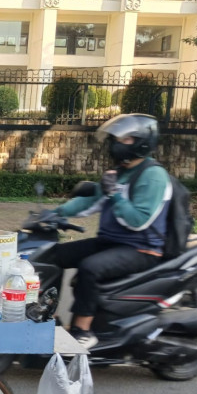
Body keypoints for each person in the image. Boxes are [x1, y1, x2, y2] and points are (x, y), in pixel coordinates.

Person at [50, 113, 171, 348]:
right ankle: (48, 315)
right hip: (110, 242)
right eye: (115, 139)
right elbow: (90, 202)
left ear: (141, 141)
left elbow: (139, 220)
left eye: (123, 139)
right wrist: (55, 213)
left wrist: (115, 193)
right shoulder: (121, 171)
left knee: (90, 268)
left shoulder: (153, 176)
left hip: (141, 249)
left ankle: (83, 331)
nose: (116, 144)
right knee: (53, 255)